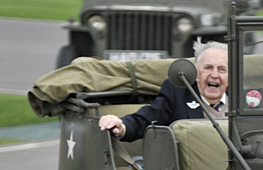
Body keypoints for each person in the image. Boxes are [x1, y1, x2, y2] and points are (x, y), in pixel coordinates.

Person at [98, 41, 228, 142]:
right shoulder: (178, 92)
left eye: (222, 69)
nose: (214, 75)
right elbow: (147, 120)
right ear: (195, 72)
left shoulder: (244, 99)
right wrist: (121, 126)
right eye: (208, 68)